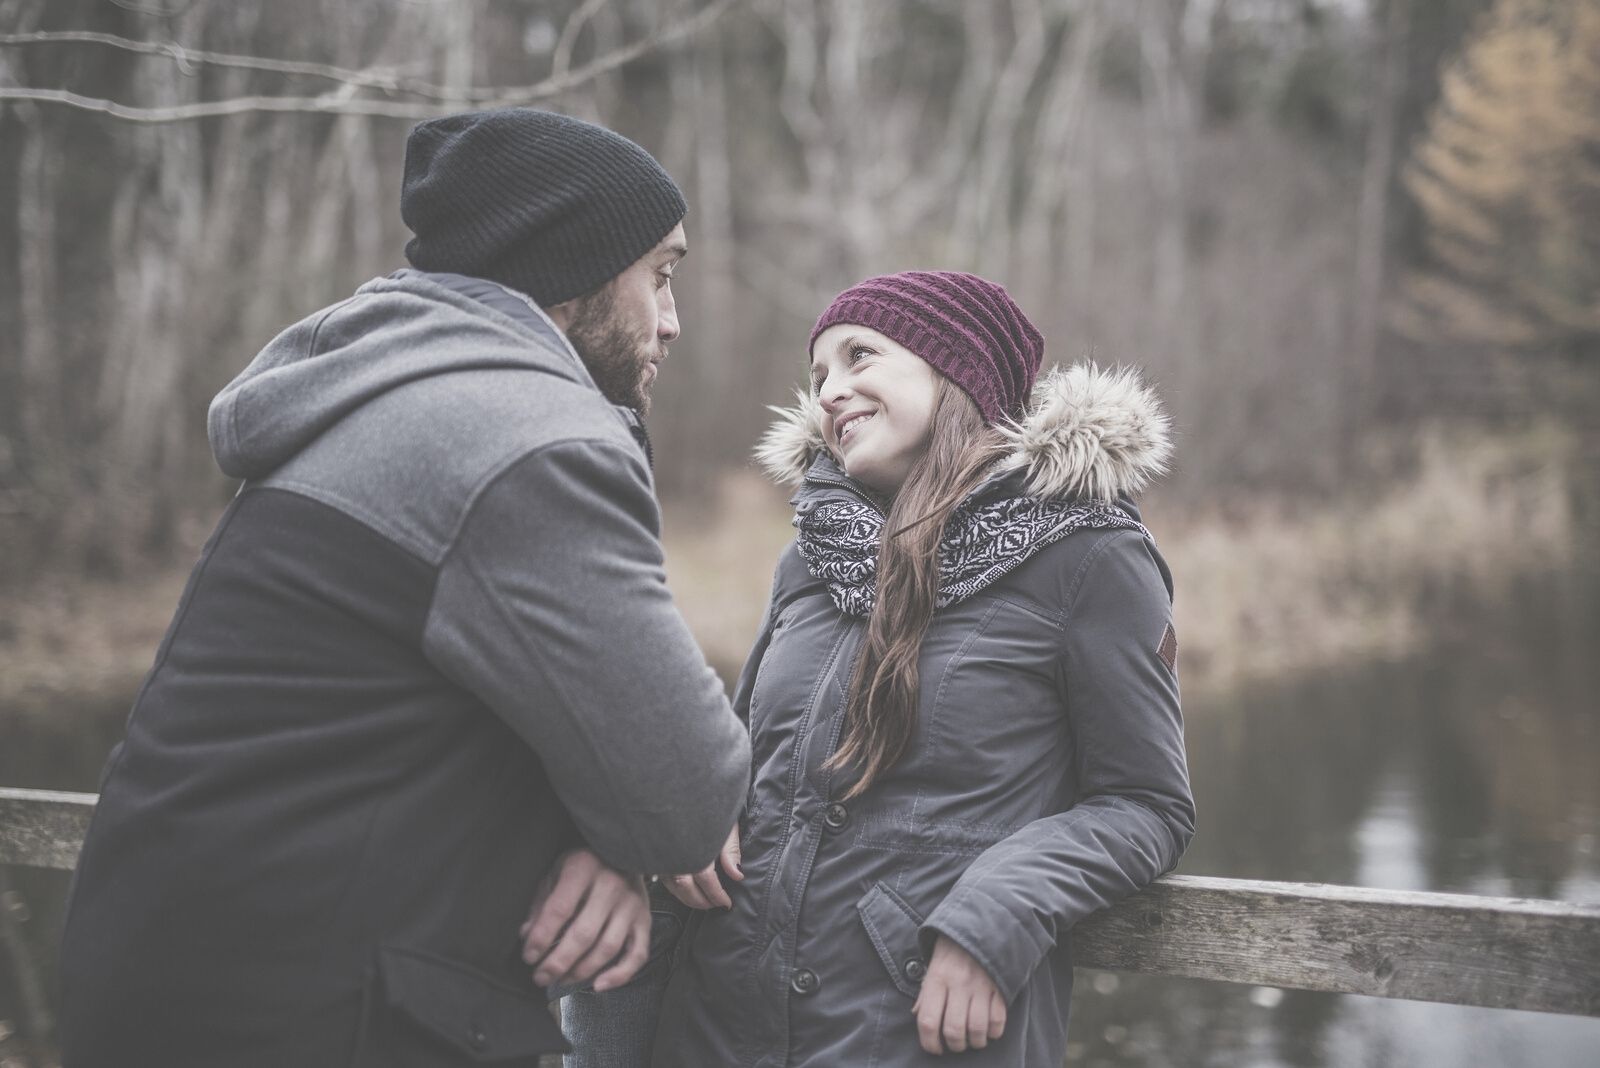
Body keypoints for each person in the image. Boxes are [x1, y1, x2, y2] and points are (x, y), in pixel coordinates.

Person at [57, 108, 750, 1067]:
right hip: (316, 1014)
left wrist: (603, 832)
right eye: (660, 277)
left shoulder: (375, 389)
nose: (671, 320)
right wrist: (627, 826)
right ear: (574, 269)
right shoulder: (526, 437)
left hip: (162, 974)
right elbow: (685, 789)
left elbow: (409, 710)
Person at [646, 271, 1195, 1065]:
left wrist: (1001, 909)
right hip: (719, 1025)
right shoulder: (810, 554)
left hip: (911, 1032)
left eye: (859, 356)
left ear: (957, 369)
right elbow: (744, 752)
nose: (832, 391)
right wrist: (698, 806)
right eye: (820, 375)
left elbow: (1147, 806)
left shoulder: (1091, 558)